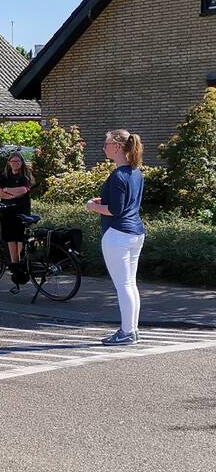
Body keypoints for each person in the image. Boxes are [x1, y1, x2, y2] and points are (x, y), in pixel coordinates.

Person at [87, 130, 145, 345]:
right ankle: (132, 329)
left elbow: (115, 210)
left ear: (118, 147)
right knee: (130, 284)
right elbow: (127, 202)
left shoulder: (117, 175)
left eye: (107, 143)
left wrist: (93, 207)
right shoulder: (135, 173)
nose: (104, 147)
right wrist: (104, 200)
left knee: (123, 285)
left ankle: (127, 332)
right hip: (135, 232)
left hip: (117, 234)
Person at [0, 152, 35, 281]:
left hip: (21, 211)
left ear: (22, 163)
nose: (15, 163)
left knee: (19, 237)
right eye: (13, 161)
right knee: (10, 237)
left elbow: (22, 191)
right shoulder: (4, 176)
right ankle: (14, 263)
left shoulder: (25, 177)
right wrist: (11, 194)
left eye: (18, 161)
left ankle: (21, 261)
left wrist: (7, 190)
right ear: (9, 163)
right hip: (6, 211)